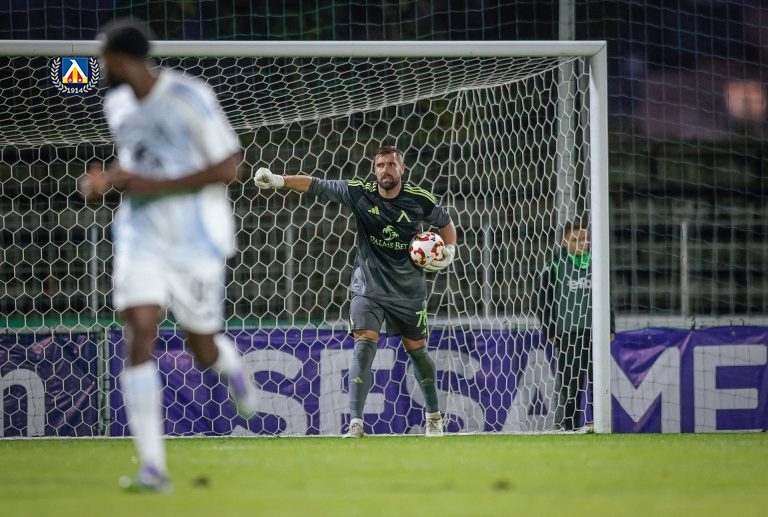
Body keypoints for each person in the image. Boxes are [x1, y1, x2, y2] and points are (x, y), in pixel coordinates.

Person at [79, 18, 257, 492]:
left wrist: (154, 185)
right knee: (140, 329)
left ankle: (231, 366)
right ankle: (153, 468)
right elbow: (137, 162)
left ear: (122, 59)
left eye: (104, 57)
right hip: (141, 236)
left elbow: (229, 167)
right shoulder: (116, 105)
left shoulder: (189, 97)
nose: (100, 65)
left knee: (202, 348)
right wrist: (107, 181)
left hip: (196, 240)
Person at [253, 145, 457, 438]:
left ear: (402, 168)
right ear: (374, 170)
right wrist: (278, 180)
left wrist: (449, 250)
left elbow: (446, 224)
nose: (385, 170)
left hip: (408, 290)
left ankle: (434, 417)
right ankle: (356, 423)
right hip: (368, 287)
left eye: (391, 164)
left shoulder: (419, 199)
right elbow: (317, 185)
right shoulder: (360, 192)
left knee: (417, 351)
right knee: (364, 345)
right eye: (380, 165)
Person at [536, 217, 615, 432]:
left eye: (584, 239)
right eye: (575, 240)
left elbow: (607, 296)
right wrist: (550, 330)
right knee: (570, 384)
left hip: (595, 333)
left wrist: (610, 326)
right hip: (568, 333)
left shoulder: (597, 263)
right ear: (564, 242)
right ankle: (568, 427)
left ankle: (600, 424)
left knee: (599, 382)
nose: (582, 243)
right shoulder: (554, 265)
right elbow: (542, 300)